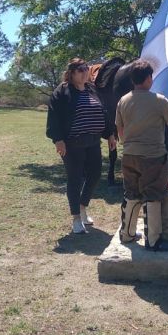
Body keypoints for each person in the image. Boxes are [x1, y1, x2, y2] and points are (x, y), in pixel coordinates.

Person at [115, 59, 168, 250]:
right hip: (153, 156)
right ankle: (153, 240)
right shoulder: (158, 100)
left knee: (131, 193)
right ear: (147, 79)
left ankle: (127, 234)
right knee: (153, 195)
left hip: (129, 155)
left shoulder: (123, 100)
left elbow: (120, 129)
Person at [46, 58, 117, 234]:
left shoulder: (91, 89)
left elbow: (103, 112)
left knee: (94, 175)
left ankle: (83, 206)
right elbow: (54, 117)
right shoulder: (62, 92)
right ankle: (77, 218)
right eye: (80, 70)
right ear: (71, 73)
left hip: (93, 141)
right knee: (75, 178)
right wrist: (58, 139)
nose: (85, 72)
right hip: (72, 144)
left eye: (86, 69)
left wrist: (109, 134)